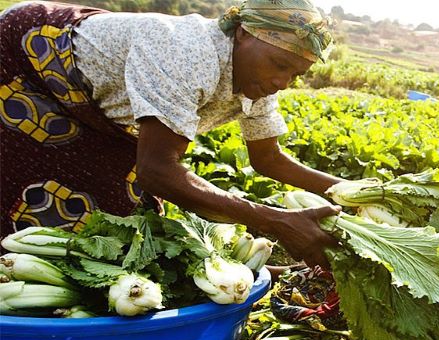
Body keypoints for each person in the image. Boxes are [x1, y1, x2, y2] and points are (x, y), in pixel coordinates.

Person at [0, 0, 341, 268]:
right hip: (29, 63)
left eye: (295, 75)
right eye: (279, 65)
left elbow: (268, 159)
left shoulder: (259, 82)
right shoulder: (187, 52)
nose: (282, 82)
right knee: (30, 192)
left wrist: (353, 195)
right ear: (243, 33)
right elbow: (158, 172)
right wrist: (275, 221)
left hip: (100, 109)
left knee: (120, 215)